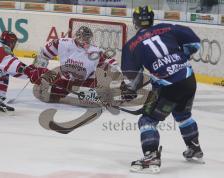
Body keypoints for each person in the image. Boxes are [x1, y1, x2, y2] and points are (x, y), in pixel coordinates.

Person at [120, 5, 204, 173]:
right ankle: (194, 148)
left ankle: (151, 156)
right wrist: (182, 56)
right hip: (188, 80)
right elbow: (195, 42)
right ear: (152, 19)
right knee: (183, 115)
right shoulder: (168, 28)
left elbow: (132, 76)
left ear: (135, 22)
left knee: (147, 120)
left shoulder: (131, 46)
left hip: (168, 87)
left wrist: (131, 89)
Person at [35, 26, 118, 103]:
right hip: (66, 80)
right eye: (84, 38)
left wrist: (115, 69)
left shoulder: (95, 50)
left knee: (91, 102)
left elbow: (110, 62)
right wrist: (39, 71)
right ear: (78, 37)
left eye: (88, 38)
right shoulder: (63, 43)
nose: (87, 40)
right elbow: (43, 55)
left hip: (86, 82)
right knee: (51, 97)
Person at [0, 31, 54, 113]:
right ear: (11, 43)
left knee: (4, 73)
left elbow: (15, 70)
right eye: (14, 43)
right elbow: (12, 65)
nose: (14, 45)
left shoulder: (3, 50)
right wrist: (30, 72)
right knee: (4, 71)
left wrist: (36, 70)